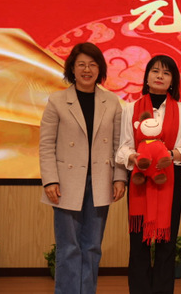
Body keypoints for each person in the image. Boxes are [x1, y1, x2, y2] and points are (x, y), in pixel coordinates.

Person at [39, 42, 127, 294]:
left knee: (92, 247)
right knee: (68, 247)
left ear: (100, 69)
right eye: (81, 65)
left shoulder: (112, 102)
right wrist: (50, 180)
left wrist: (119, 178)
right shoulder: (57, 101)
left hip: (100, 182)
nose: (87, 70)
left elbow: (118, 145)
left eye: (92, 64)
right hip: (65, 184)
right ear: (72, 69)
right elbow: (46, 144)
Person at [116, 55, 181, 294]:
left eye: (166, 73)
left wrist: (166, 154)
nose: (160, 76)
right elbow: (123, 147)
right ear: (147, 77)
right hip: (139, 179)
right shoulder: (131, 108)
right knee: (138, 242)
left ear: (173, 81)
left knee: (166, 243)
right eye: (155, 71)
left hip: (170, 179)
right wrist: (135, 157)